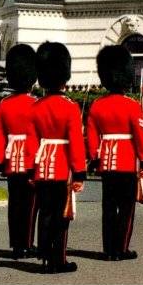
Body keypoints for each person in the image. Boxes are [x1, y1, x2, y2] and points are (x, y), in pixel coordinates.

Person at [87, 45, 143, 261]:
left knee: (108, 208)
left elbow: (93, 137)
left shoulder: (97, 106)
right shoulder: (132, 106)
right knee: (126, 208)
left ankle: (108, 250)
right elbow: (140, 136)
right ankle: (121, 248)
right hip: (126, 161)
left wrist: (95, 159)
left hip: (106, 162)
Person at [31, 42, 86, 273]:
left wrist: (31, 171)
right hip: (62, 168)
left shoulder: (36, 106)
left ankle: (44, 257)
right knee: (62, 217)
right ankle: (58, 260)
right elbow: (75, 143)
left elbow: (32, 144)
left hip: (42, 167)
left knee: (45, 213)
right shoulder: (70, 107)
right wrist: (79, 173)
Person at [0, 44, 40, 259]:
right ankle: (27, 245)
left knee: (15, 205)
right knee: (30, 205)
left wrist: (0, 161)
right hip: (31, 160)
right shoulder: (37, 104)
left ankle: (16, 244)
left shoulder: (4, 104)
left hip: (12, 159)